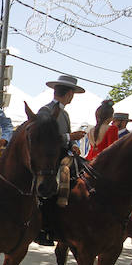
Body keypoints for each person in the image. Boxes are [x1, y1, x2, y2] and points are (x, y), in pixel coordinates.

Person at [35, 74, 86, 244]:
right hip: (50, 157)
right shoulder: (46, 110)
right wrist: (69, 137)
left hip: (64, 153)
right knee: (55, 181)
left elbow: (66, 138)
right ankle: (45, 226)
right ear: (70, 94)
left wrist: (72, 144)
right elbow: (44, 137)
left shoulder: (64, 113)